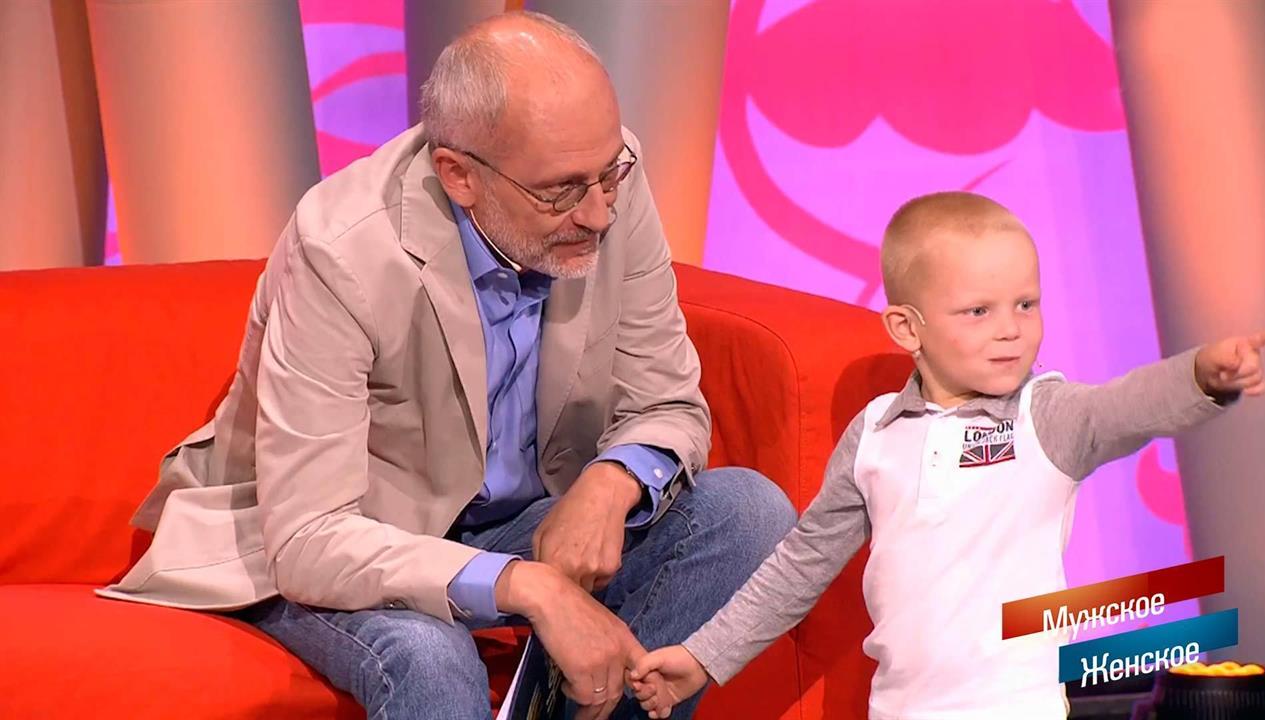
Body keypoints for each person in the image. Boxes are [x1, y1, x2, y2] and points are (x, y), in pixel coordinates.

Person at [98, 11, 795, 720]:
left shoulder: (609, 177)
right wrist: (528, 585)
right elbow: (310, 537)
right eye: (560, 192)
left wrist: (610, 483)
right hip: (351, 540)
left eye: (607, 175)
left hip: (519, 518)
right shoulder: (341, 249)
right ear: (459, 175)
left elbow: (668, 403)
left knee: (745, 513)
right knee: (429, 652)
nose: (597, 215)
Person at [630, 191, 1265, 720]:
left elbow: (1125, 407)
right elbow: (798, 567)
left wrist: (1200, 376)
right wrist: (703, 656)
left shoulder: (1045, 414)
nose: (1010, 328)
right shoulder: (874, 433)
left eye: (1026, 304)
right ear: (907, 328)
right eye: (978, 311)